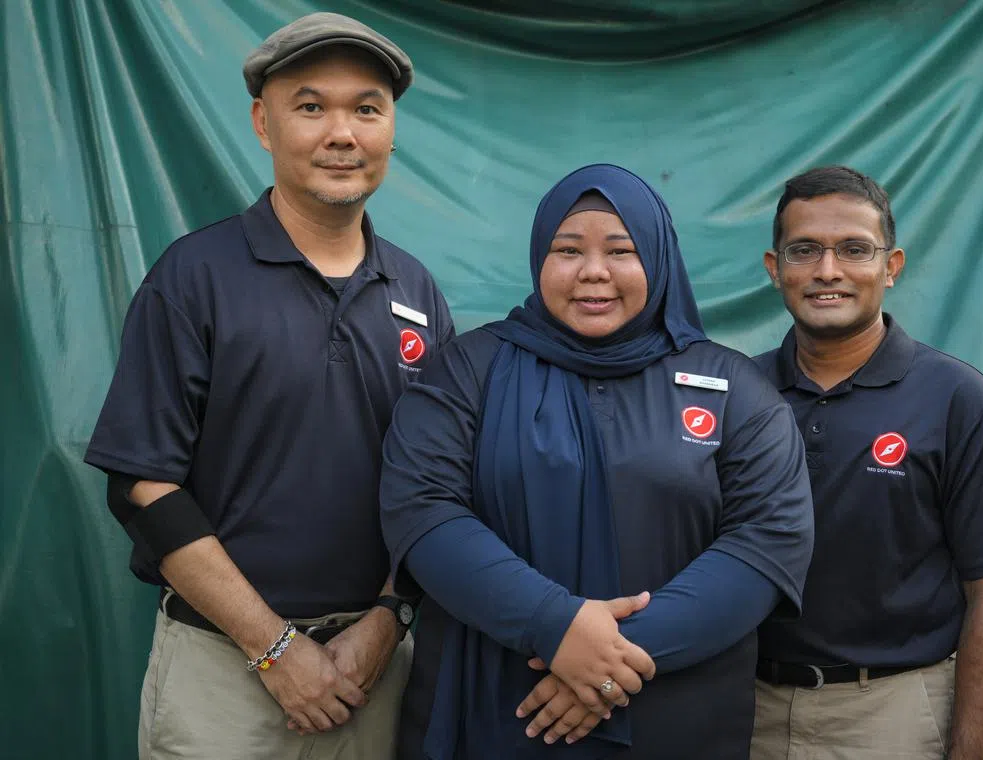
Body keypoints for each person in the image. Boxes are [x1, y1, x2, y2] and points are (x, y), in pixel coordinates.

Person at [83, 12, 454, 760]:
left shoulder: (415, 290)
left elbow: (435, 484)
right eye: (311, 106)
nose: (341, 133)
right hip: (225, 676)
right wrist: (276, 650)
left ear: (391, 129)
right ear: (262, 123)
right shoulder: (194, 277)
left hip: (373, 671)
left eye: (366, 109)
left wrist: (387, 621)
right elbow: (144, 486)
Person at [379, 163, 815, 759]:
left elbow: (768, 543)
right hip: (499, 713)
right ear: (539, 258)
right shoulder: (466, 370)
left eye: (621, 250)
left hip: (675, 716)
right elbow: (422, 511)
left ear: (658, 260)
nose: (593, 272)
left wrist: (610, 660)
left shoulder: (731, 385)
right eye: (567, 250)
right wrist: (552, 626)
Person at [750, 165, 983, 760]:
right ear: (775, 268)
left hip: (889, 716)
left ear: (891, 267)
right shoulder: (741, 393)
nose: (827, 271)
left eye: (854, 250)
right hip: (744, 710)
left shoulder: (958, 400)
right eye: (805, 250)